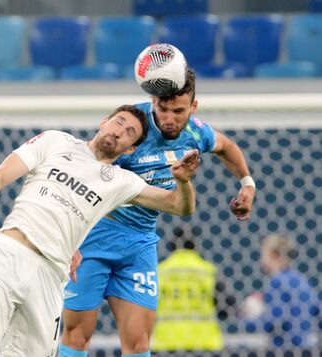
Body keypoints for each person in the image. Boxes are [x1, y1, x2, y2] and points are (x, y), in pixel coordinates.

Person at [0, 104, 200, 357]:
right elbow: (0, 176)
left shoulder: (120, 181)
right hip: (9, 254)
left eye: (129, 133)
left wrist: (184, 182)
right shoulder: (55, 141)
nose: (119, 132)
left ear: (129, 150)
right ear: (104, 122)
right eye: (118, 122)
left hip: (51, 276)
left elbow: (179, 206)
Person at [60, 68, 256, 357]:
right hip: (96, 236)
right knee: (77, 337)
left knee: (139, 345)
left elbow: (226, 147)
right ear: (153, 101)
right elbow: (87, 172)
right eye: (162, 109)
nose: (168, 118)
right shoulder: (131, 126)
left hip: (139, 243)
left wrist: (247, 183)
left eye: (178, 111)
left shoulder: (196, 132)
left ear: (193, 107)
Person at [239, 233, 320, 349]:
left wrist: (245, 318)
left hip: (284, 349)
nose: (261, 259)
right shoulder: (303, 281)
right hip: (307, 348)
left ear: (274, 255)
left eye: (263, 254)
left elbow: (274, 321)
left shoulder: (277, 283)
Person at [151, 226, 223, 352]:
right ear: (196, 245)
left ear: (172, 245)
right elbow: (225, 308)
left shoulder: (161, 271)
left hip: (167, 343)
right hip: (203, 343)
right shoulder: (208, 271)